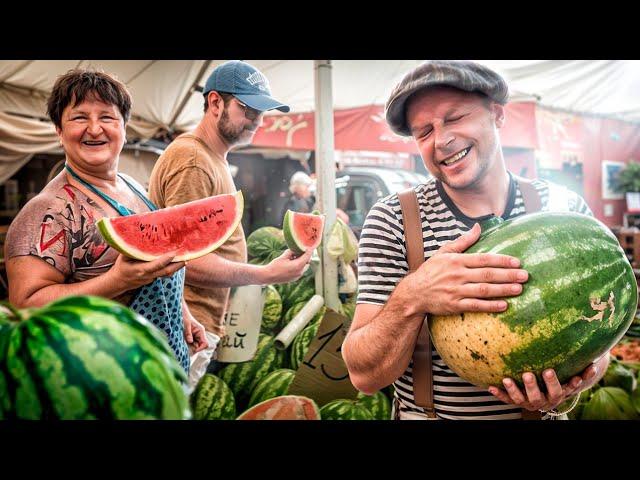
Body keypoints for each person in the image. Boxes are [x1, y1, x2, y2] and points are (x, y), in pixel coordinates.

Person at [341, 60, 608, 420]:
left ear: (497, 115)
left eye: (454, 118)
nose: (442, 140)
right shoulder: (392, 221)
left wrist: (574, 383)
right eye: (424, 132)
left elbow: (599, 339)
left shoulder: (564, 208)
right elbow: (363, 375)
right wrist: (413, 295)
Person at [4, 69, 207, 373]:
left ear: (125, 127)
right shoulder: (46, 212)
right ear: (59, 130)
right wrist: (117, 280)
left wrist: (182, 314)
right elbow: (26, 308)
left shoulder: (133, 186)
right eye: (79, 117)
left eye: (107, 117)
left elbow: (154, 267)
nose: (95, 129)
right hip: (101, 379)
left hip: (161, 368)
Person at [148, 60, 312, 344]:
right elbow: (185, 259)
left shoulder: (212, 158)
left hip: (196, 324)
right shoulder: (193, 160)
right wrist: (265, 274)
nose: (257, 120)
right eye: (247, 108)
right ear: (215, 103)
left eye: (261, 112)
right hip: (182, 326)